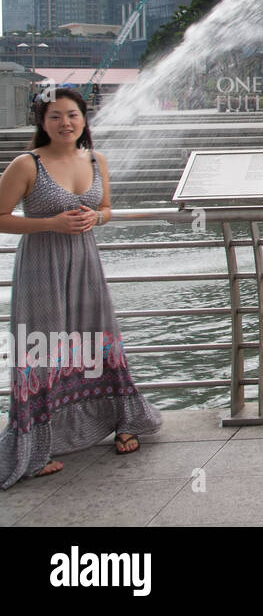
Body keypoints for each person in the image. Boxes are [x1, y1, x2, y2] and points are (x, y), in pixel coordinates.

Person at [0, 88, 162, 488]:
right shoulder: (27, 164)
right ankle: (36, 448)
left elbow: (105, 208)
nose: (65, 123)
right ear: (42, 122)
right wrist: (50, 224)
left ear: (84, 119)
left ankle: (122, 421)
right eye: (55, 116)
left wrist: (96, 219)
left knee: (97, 341)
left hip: (86, 262)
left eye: (72, 115)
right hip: (41, 266)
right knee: (41, 347)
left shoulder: (95, 159)